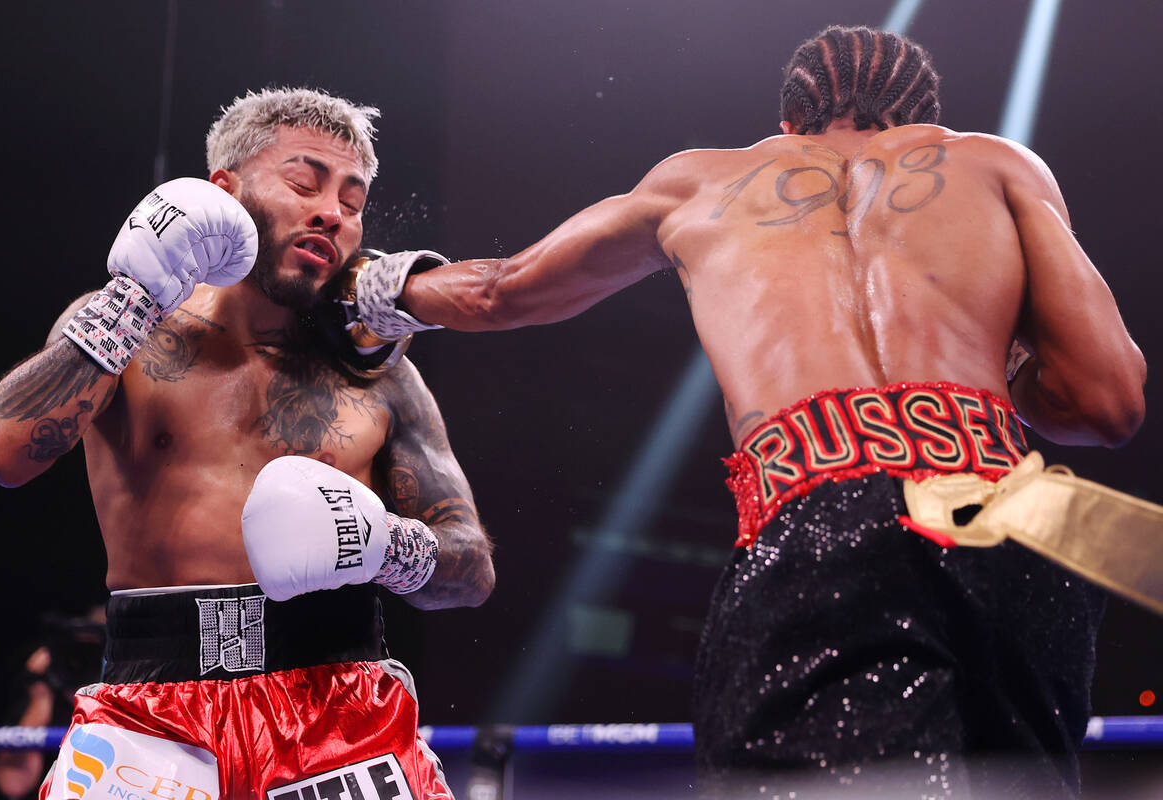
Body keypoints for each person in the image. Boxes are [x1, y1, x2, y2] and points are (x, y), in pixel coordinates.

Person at [347, 26, 1147, 799]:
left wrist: (364, 288)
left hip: (827, 516)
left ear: (788, 122)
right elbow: (1107, 401)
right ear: (925, 113)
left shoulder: (700, 181)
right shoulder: (999, 164)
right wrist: (994, 359)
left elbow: (500, 289)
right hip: (1017, 517)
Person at [0, 87, 494, 800]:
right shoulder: (132, 331)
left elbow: (470, 569)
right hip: (148, 718)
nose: (332, 212)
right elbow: (5, 451)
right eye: (304, 182)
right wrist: (133, 296)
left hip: (340, 713)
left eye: (352, 197)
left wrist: (386, 545)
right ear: (222, 191)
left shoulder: (377, 374)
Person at [0, 608, 106, 800]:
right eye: (79, 649)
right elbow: (13, 785)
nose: (83, 661)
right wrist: (41, 696)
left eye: (94, 652)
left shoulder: (134, 699)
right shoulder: (46, 695)